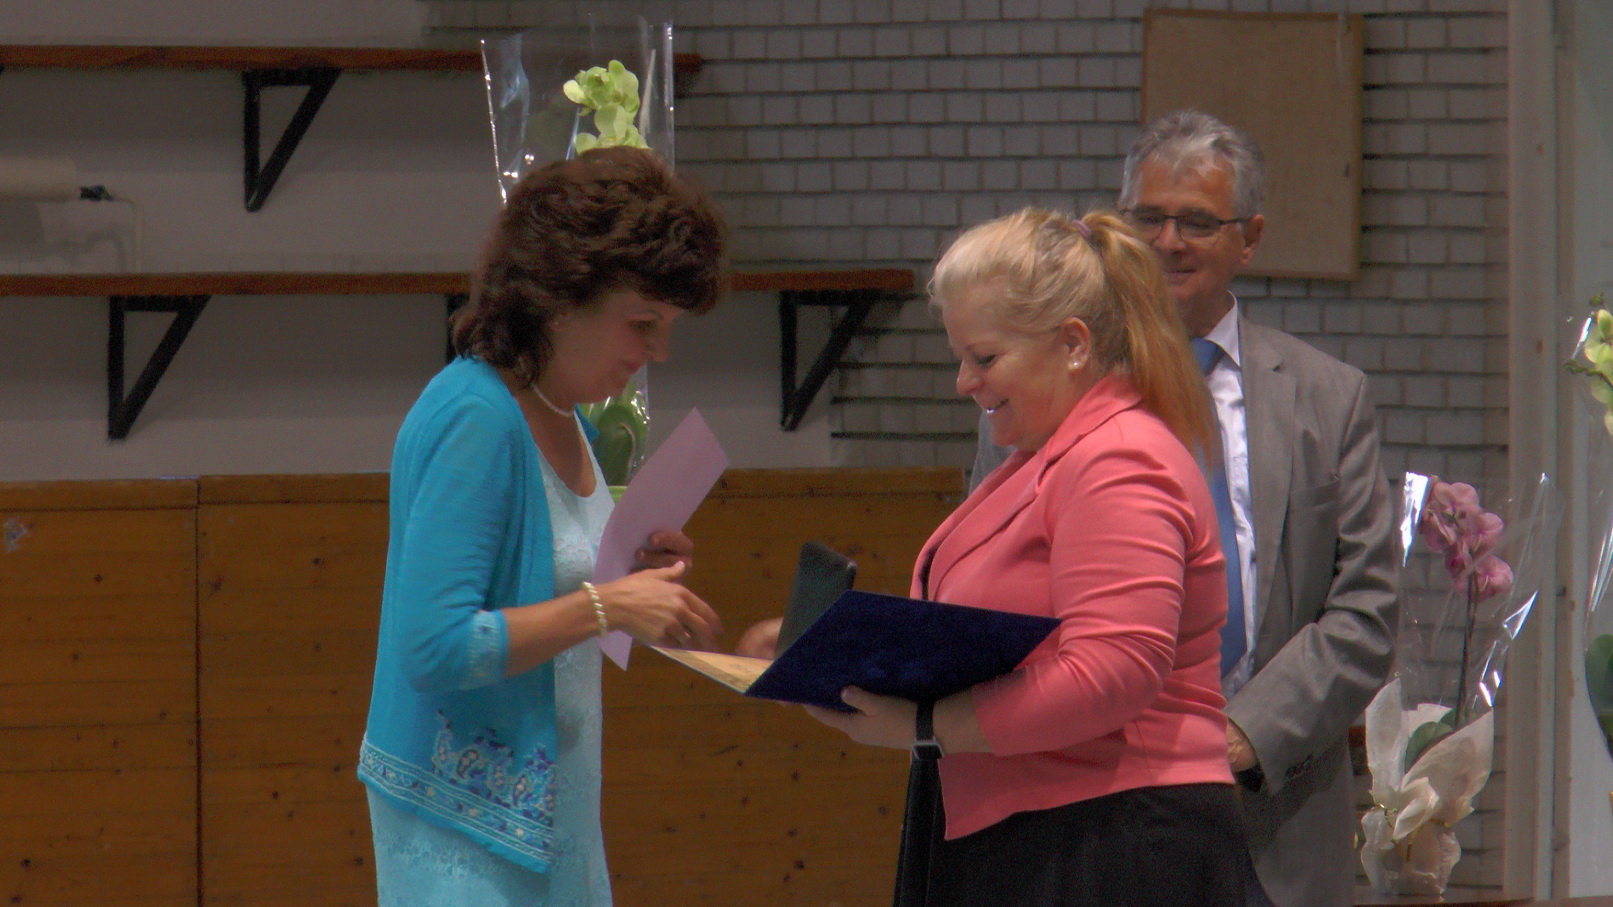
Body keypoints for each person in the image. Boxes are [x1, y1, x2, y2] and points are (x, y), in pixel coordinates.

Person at [974, 111, 1399, 907]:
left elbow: (1366, 612)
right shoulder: (1039, 392)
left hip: (1278, 815)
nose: (1168, 242)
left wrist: (1241, 735)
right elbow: (989, 584)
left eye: (1197, 222)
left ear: (1250, 238)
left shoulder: (1329, 396)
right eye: (1148, 217)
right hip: (1086, 812)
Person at [807, 207, 1250, 906]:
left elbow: (1113, 673)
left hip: (1113, 835)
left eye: (984, 358)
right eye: (960, 357)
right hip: (1048, 822)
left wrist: (925, 727)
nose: (963, 381)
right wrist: (838, 655)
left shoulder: (1118, 458)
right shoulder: (1049, 457)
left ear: (1073, 344)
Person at [357, 146, 729, 907]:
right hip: (461, 825)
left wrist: (630, 579)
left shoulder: (563, 413)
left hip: (550, 806)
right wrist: (607, 605)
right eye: (642, 324)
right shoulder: (475, 416)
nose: (657, 351)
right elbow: (432, 645)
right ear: (561, 298)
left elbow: (543, 588)